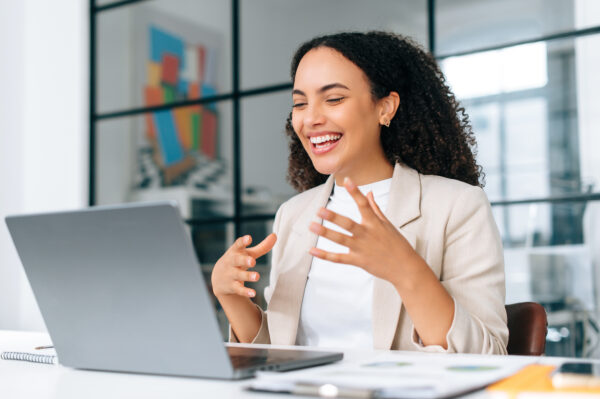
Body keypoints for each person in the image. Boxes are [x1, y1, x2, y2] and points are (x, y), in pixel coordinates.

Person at [211, 31, 508, 354]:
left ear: (386, 108)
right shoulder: (293, 215)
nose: (311, 118)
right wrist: (230, 296)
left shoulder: (457, 206)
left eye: (334, 99)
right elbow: (281, 351)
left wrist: (406, 269)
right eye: (300, 103)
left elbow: (488, 354)